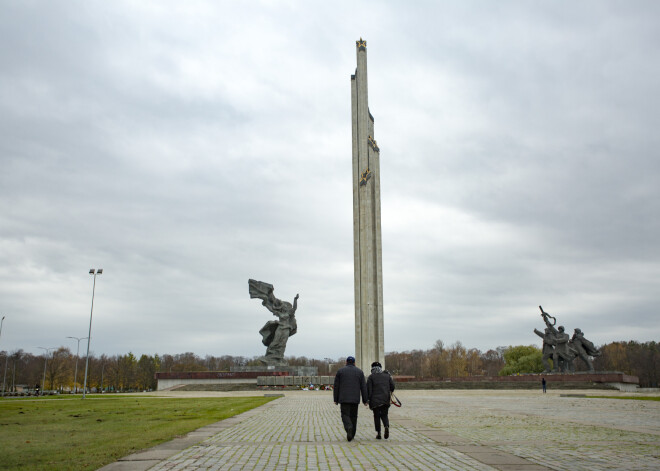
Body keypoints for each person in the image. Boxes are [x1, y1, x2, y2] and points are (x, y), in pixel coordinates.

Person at [333, 356, 368, 442]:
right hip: (355, 399)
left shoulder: (340, 371)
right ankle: (352, 434)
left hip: (344, 398)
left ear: (346, 362)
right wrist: (365, 400)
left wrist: (336, 399)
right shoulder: (360, 372)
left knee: (345, 415)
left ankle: (349, 427)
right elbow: (363, 387)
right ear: (354, 363)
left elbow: (336, 386)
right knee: (354, 416)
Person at [367, 361, 395, 440]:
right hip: (385, 399)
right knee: (384, 414)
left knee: (376, 416)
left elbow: (369, 390)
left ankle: (378, 433)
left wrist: (367, 400)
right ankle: (386, 426)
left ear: (372, 368)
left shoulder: (371, 377)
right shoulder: (387, 376)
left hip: (375, 401)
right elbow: (392, 387)